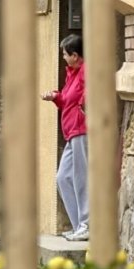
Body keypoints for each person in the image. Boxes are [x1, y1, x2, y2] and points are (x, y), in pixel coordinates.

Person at [41, 34, 88, 242]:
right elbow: (66, 101)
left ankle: (87, 225)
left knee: (80, 177)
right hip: (71, 133)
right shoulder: (72, 73)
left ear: (75, 55)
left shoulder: (86, 72)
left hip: (82, 131)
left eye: (65, 54)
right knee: (62, 177)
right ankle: (79, 225)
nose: (63, 57)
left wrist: (84, 106)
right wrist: (55, 97)